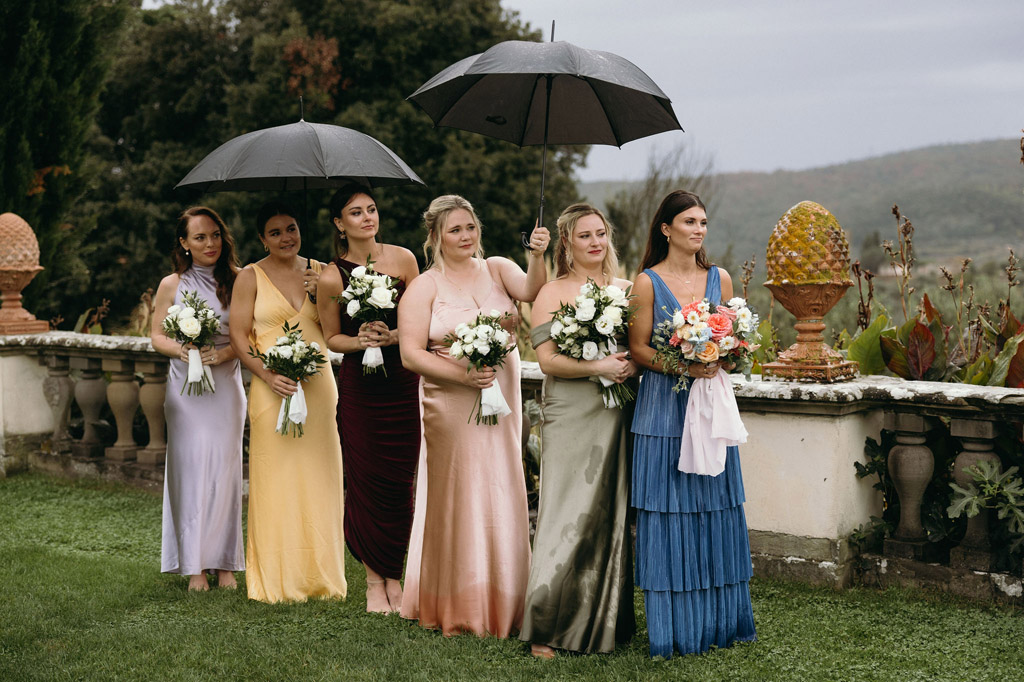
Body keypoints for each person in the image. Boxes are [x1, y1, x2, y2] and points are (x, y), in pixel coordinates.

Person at [398, 195, 549, 637]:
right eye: (455, 230)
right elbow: (410, 354)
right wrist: (463, 378)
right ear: (436, 237)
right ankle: (457, 603)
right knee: (460, 490)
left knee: (501, 484)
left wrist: (537, 255)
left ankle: (506, 597)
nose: (466, 237)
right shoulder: (425, 286)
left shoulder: (500, 268)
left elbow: (532, 291)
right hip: (450, 399)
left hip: (501, 395)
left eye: (470, 227)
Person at [626, 190, 757, 658]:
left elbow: (735, 337)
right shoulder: (645, 283)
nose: (699, 229)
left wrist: (726, 352)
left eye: (703, 221)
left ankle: (723, 624)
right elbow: (639, 349)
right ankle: (673, 631)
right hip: (663, 410)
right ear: (666, 228)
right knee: (667, 513)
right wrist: (684, 365)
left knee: (715, 510)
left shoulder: (718, 278)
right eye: (688, 221)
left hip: (712, 405)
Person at [520, 203, 637, 656]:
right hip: (571, 409)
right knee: (564, 510)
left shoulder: (628, 289)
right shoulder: (551, 292)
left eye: (601, 233)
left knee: (609, 512)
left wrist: (627, 367)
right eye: (584, 235)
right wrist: (598, 365)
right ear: (566, 242)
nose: (595, 242)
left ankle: (604, 622)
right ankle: (546, 624)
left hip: (616, 410)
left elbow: (640, 348)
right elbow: (547, 361)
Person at [228, 201, 347, 603]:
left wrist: (325, 294)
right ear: (262, 238)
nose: (286, 238)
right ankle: (278, 579)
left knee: (320, 477)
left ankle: (321, 577)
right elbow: (240, 337)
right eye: (275, 232)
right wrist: (267, 374)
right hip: (271, 388)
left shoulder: (322, 272)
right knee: (276, 479)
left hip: (318, 385)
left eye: (292, 228)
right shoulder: (249, 277)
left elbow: (337, 330)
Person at [317, 184, 420, 614]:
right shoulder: (329, 276)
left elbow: (421, 321)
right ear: (340, 224)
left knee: (401, 481)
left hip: (402, 383)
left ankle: (397, 574)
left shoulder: (405, 259)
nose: (367, 218)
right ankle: (374, 582)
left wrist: (392, 335)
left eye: (372, 209)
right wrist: (361, 340)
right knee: (365, 479)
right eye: (356, 212)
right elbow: (331, 337)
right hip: (361, 389)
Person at [152, 206, 245, 592]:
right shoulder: (170, 284)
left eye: (215, 235)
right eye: (200, 237)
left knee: (226, 474)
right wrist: (183, 352)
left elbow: (249, 337)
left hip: (225, 387)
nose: (210, 244)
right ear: (184, 243)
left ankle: (225, 564)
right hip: (185, 394)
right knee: (190, 473)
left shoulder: (241, 280)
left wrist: (221, 355)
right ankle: (193, 567)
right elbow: (157, 336)